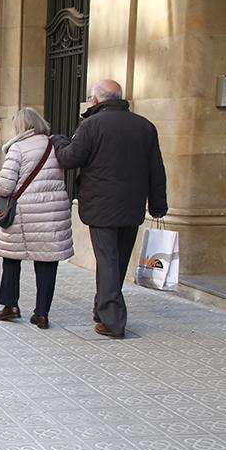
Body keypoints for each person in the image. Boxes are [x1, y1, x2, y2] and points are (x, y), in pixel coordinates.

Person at [52, 79, 167, 338]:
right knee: (117, 261)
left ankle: (113, 321)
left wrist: (59, 142)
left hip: (101, 206)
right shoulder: (145, 126)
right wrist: (158, 205)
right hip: (131, 207)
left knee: (107, 262)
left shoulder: (91, 125)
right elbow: (156, 169)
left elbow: (70, 158)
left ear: (95, 100)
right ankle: (101, 308)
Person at [0, 108, 73, 329]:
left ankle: (10, 305)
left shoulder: (17, 148)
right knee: (47, 260)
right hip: (52, 212)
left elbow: (5, 186)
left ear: (20, 126)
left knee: (11, 257)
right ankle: (42, 314)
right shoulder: (55, 144)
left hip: (24, 213)